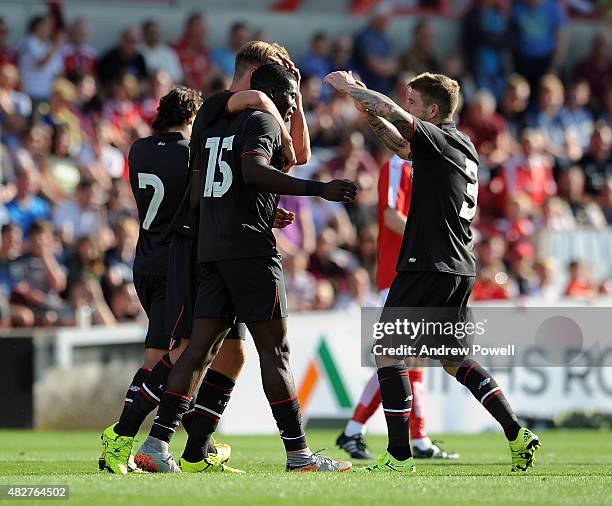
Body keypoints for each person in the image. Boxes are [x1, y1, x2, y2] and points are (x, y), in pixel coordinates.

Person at [132, 63, 356, 474]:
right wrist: (318, 190)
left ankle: (155, 444)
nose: (292, 109)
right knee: (275, 351)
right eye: (292, 99)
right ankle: (299, 456)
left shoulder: (211, 122)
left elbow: (204, 191)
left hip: (210, 249)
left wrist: (247, 210)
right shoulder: (263, 123)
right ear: (275, 96)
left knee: (199, 350)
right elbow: (255, 169)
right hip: (250, 251)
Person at [101, 42, 311, 475]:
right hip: (192, 253)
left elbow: (224, 185)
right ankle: (123, 438)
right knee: (179, 353)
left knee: (227, 353)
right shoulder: (218, 119)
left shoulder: (143, 148)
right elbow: (206, 191)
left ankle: (197, 449)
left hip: (171, 252)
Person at [325, 69, 541, 473]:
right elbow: (399, 141)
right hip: (458, 266)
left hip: (428, 262)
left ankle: (399, 456)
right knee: (454, 360)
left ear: (433, 110)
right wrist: (367, 112)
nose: (407, 108)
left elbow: (395, 116)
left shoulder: (438, 138)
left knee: (388, 353)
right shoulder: (459, 146)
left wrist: (354, 89)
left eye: (414, 103)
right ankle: (517, 433)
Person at [336, 154, 458, 461]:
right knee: (397, 358)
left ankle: (416, 437)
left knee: (412, 360)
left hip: (414, 274)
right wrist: (433, 243)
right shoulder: (396, 165)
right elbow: (391, 214)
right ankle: (360, 431)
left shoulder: (420, 166)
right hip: (398, 275)